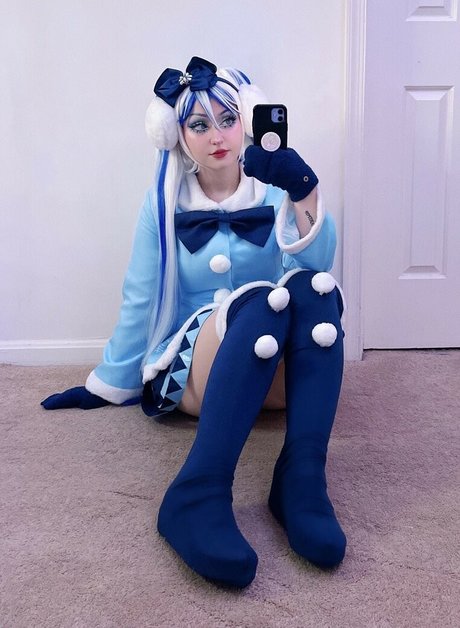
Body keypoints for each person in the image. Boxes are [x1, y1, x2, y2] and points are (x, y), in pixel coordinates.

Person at [42, 56, 346, 588]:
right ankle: (198, 491)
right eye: (199, 125)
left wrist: (303, 191)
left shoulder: (274, 189)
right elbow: (140, 296)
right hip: (197, 371)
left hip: (271, 375)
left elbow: (316, 266)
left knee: (314, 291)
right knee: (261, 302)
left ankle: (300, 479)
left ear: (246, 121)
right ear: (178, 136)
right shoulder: (162, 204)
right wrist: (109, 381)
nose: (217, 136)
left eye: (227, 120)